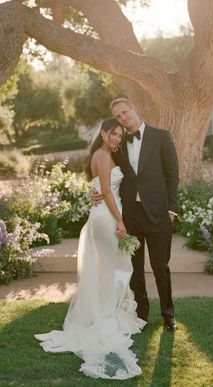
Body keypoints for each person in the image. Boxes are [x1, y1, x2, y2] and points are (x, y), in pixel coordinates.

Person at [34, 118, 146, 380]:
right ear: (104, 133)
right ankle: (105, 317)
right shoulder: (103, 155)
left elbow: (98, 187)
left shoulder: (102, 154)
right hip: (107, 217)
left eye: (120, 135)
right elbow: (106, 191)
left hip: (101, 214)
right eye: (114, 134)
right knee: (119, 268)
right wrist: (120, 222)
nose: (118, 139)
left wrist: (94, 196)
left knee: (109, 269)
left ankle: (105, 312)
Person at [92, 98, 179, 331]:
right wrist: (94, 191)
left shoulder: (161, 136)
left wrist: (172, 209)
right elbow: (101, 169)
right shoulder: (117, 144)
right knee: (135, 269)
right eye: (118, 116)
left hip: (159, 214)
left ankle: (168, 314)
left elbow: (172, 174)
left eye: (124, 112)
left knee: (161, 266)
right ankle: (141, 315)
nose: (122, 118)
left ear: (134, 108)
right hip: (130, 215)